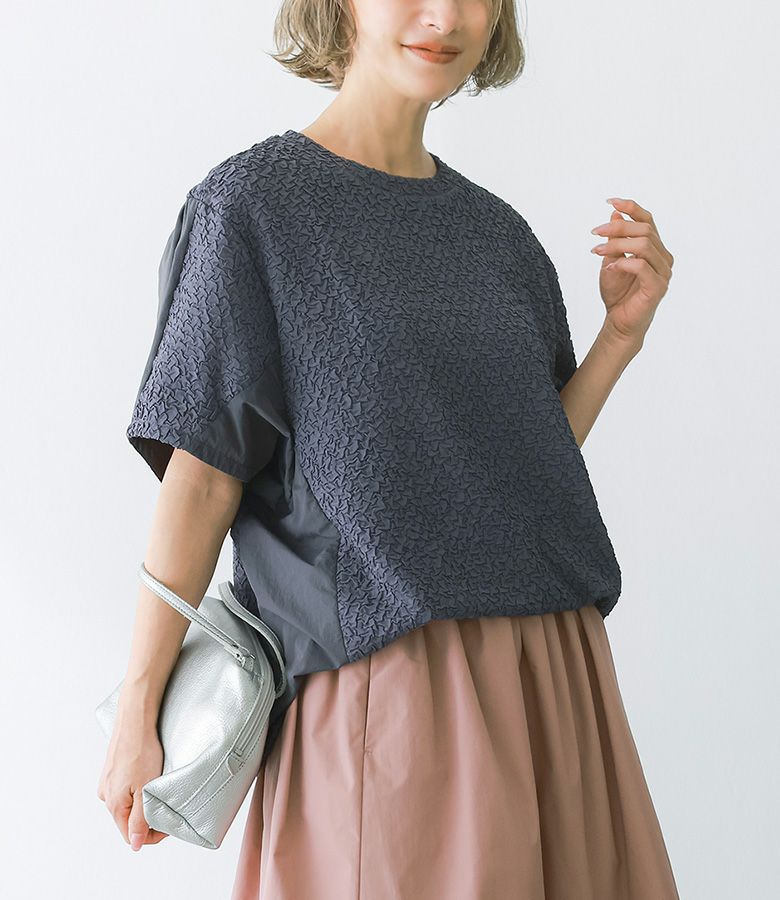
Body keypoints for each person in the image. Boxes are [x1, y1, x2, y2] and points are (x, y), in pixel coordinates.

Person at [97, 0, 679, 897]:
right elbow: (203, 476)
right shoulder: (252, 209)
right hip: (393, 694)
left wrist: (618, 341)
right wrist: (139, 709)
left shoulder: (497, 234)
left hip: (557, 681)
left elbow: (525, 466)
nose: (444, 15)